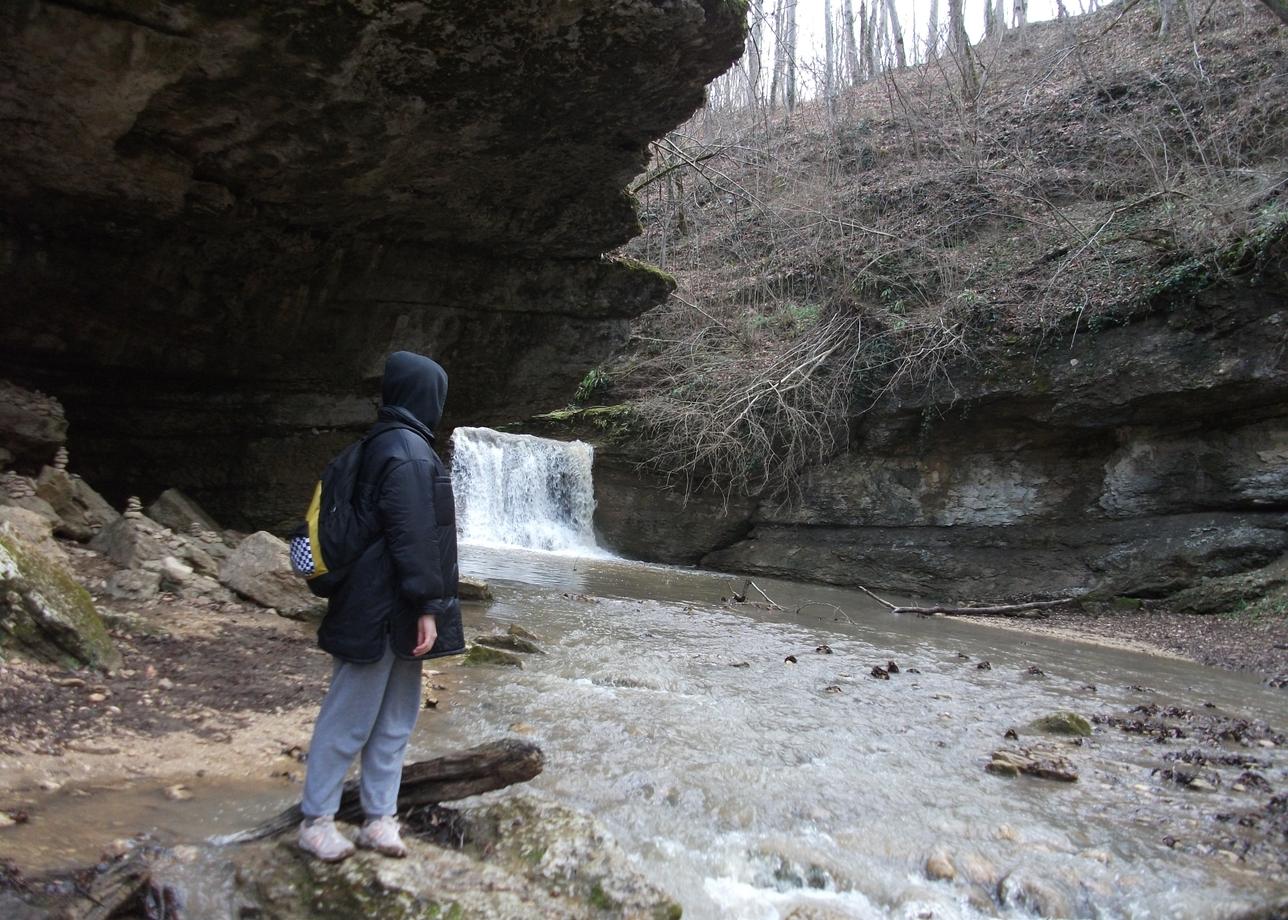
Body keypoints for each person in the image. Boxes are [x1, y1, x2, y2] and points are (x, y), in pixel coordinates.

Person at [297, 351, 466, 862]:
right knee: (352, 718)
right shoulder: (409, 453)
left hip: (388, 610)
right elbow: (414, 539)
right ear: (425, 396)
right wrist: (429, 607)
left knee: (394, 717)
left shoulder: (381, 445)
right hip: (383, 609)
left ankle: (378, 818)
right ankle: (317, 821)